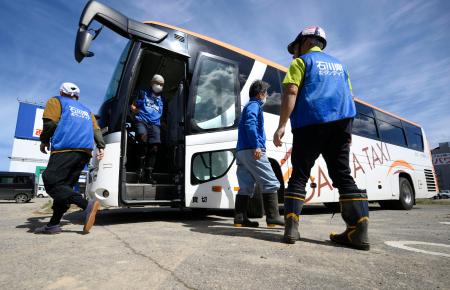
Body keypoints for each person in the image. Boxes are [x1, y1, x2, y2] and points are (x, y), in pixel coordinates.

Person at [273, 26, 370, 250]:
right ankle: (358, 231)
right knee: (343, 175)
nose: (294, 54)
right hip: (342, 125)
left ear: (305, 42)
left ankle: (291, 229)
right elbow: (350, 97)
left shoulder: (301, 63)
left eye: (295, 48)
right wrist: (348, 132)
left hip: (310, 124)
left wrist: (281, 126)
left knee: (299, 175)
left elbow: (291, 92)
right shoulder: (341, 66)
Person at [36, 82, 105, 234]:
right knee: (65, 188)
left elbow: (50, 123)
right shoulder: (87, 111)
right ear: (77, 96)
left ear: (62, 92)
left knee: (50, 179)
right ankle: (53, 225)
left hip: (65, 149)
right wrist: (101, 146)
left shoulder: (56, 101)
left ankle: (86, 205)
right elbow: (96, 129)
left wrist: (44, 140)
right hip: (84, 153)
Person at [234, 80, 284, 228]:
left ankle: (240, 218)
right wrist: (256, 145)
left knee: (246, 186)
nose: (267, 96)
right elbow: (251, 124)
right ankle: (273, 217)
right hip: (252, 149)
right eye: (266, 93)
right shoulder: (254, 106)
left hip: (242, 151)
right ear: (260, 93)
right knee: (270, 181)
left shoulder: (248, 107)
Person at [131, 74, 165, 184]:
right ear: (152, 83)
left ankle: (149, 174)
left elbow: (163, 112)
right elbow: (133, 105)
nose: (159, 86)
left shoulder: (163, 98)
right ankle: (140, 169)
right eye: (157, 83)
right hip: (142, 120)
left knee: (154, 147)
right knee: (142, 138)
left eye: (162, 84)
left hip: (155, 124)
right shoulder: (143, 93)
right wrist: (134, 110)